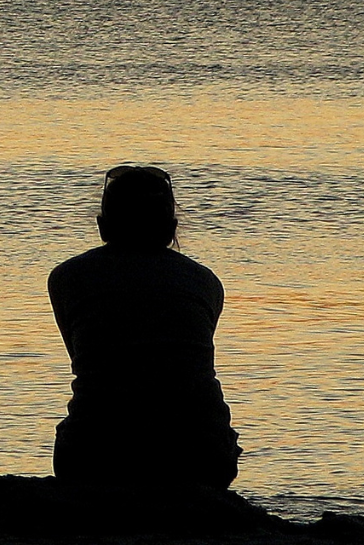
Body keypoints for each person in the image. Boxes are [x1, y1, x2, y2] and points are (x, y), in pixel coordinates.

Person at [47, 165, 241, 488]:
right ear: (171, 229)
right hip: (201, 455)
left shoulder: (67, 279)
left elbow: (86, 358)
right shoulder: (206, 283)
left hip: (95, 455)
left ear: (102, 226)